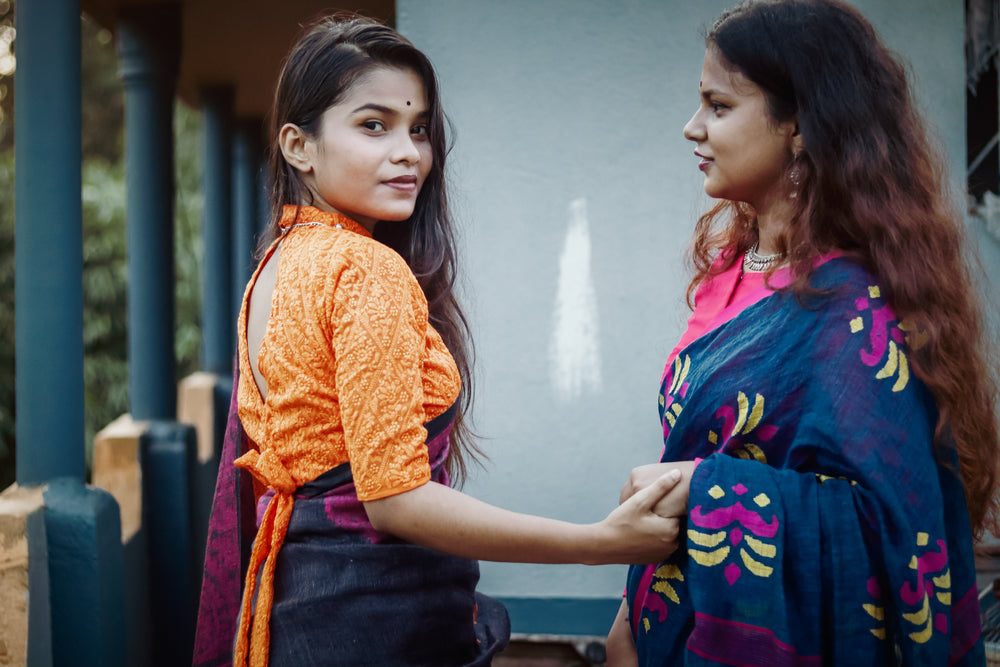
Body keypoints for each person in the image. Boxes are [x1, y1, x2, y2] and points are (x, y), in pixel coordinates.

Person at [191, 14, 684, 667]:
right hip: (370, 618)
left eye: (418, 128)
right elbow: (395, 498)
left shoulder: (277, 262)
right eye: (374, 125)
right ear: (297, 146)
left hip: (303, 604)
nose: (409, 152)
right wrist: (600, 541)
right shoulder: (363, 268)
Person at [605, 1, 999, 664]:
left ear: (797, 125)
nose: (691, 128)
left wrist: (698, 489)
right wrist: (629, 611)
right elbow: (712, 441)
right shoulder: (727, 270)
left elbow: (889, 526)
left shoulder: (853, 310)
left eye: (719, 106)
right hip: (671, 624)